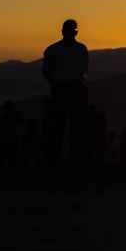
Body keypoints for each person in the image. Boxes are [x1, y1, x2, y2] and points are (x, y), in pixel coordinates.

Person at [42, 19, 89, 173]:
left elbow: (46, 71)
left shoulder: (54, 50)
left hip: (69, 89)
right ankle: (60, 162)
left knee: (72, 128)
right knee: (59, 127)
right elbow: (47, 71)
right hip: (65, 89)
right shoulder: (59, 50)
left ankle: (70, 162)